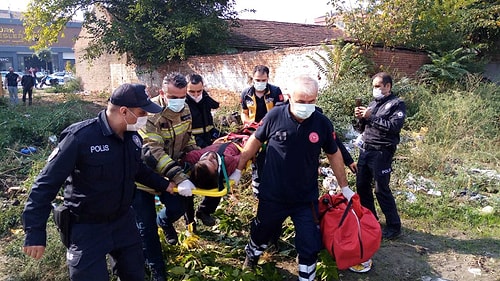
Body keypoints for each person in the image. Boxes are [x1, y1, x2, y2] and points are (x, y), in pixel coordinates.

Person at [21, 83, 173, 281]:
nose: (146, 117)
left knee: (135, 274)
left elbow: (138, 170)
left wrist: (165, 185)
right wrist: (34, 232)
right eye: (142, 112)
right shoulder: (80, 138)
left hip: (123, 222)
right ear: (124, 111)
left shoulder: (132, 137)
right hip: (87, 228)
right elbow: (45, 184)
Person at [229, 75, 352, 281]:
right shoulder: (275, 116)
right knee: (261, 231)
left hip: (305, 198)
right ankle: (251, 258)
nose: (306, 106)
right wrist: (239, 169)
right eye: (301, 102)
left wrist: (345, 187)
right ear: (290, 98)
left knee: (309, 241)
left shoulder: (321, 123)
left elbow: (334, 154)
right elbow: (254, 143)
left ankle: (306, 277)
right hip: (273, 194)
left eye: (311, 101)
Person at [132, 72, 199, 281]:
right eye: (173, 97)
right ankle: (156, 269)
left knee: (177, 209)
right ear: (162, 93)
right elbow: (153, 153)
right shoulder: (149, 115)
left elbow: (189, 139)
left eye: (182, 96)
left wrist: (197, 158)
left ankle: (165, 222)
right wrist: (180, 177)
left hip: (171, 175)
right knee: (146, 228)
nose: (178, 102)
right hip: (144, 178)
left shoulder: (186, 109)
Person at [354, 72, 406, 241]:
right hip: (366, 149)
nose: (375, 90)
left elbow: (393, 127)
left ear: (388, 86)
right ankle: (370, 219)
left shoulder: (397, 104)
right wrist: (361, 118)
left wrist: (371, 117)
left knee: (381, 189)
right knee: (362, 186)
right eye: (373, 87)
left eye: (378, 86)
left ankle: (394, 226)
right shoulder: (373, 104)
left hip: (382, 151)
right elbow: (362, 129)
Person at [239, 65, 284, 195]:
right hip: (254, 131)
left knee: (272, 156)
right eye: (257, 80)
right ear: (253, 79)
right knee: (255, 159)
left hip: (272, 130)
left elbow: (281, 111)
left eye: (263, 80)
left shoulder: (275, 92)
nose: (260, 83)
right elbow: (244, 112)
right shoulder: (246, 94)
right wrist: (247, 122)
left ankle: (275, 186)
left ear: (267, 78)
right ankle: (257, 190)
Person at [185, 73, 222, 148]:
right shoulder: (183, 104)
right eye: (192, 92)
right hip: (194, 143)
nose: (196, 95)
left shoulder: (205, 98)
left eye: (199, 91)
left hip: (209, 137)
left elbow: (215, 105)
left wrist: (221, 136)